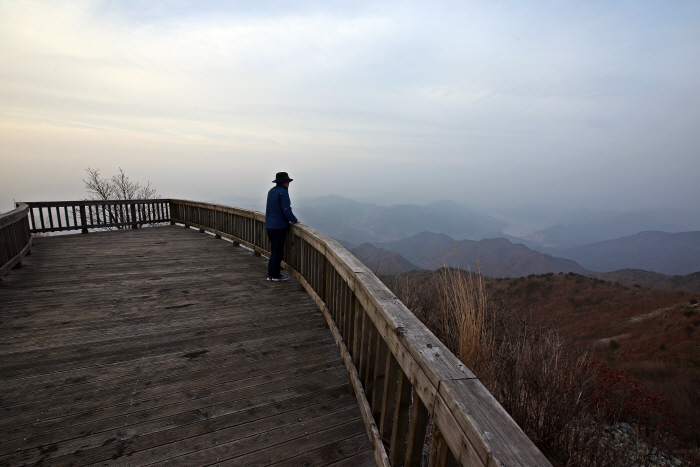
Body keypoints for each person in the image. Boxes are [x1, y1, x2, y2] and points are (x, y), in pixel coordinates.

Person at [265, 172, 299, 281]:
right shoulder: (283, 193)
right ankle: (275, 275)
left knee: (274, 250)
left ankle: (271, 274)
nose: (289, 184)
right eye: (288, 182)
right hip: (279, 226)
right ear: (285, 182)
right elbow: (286, 210)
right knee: (278, 251)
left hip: (269, 225)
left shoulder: (271, 191)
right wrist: (294, 220)